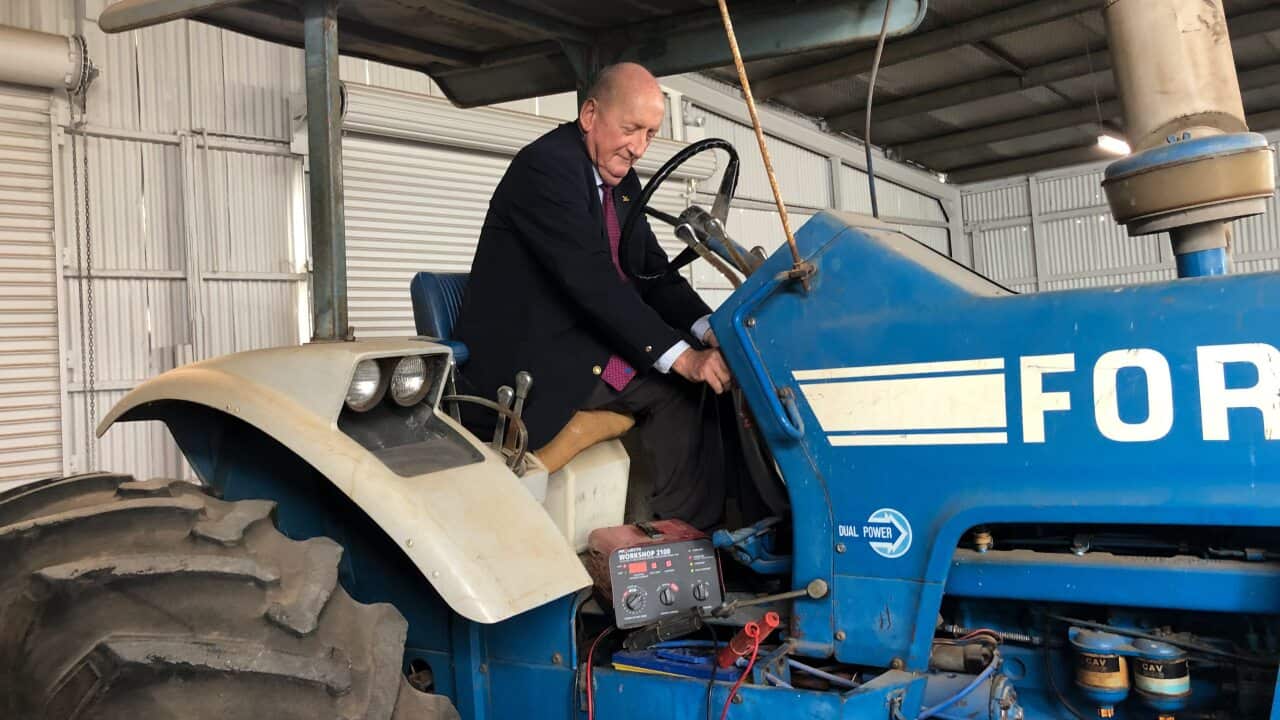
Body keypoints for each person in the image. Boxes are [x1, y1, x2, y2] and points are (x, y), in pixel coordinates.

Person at [454, 62, 737, 529]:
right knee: (679, 390)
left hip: (591, 349)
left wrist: (710, 330)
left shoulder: (621, 181)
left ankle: (682, 537)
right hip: (540, 361)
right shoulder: (546, 169)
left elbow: (650, 272)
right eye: (630, 129)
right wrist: (684, 359)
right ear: (590, 115)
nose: (640, 148)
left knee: (692, 388)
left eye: (650, 133)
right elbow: (594, 283)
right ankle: (685, 538)